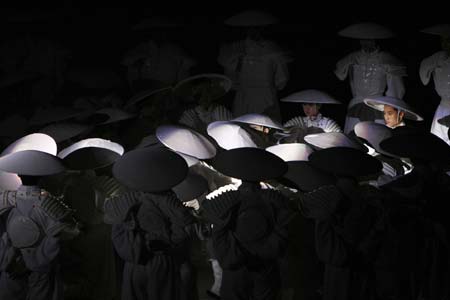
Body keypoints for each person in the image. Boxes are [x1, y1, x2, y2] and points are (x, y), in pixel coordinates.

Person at [201, 147, 295, 300]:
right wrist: (266, 251)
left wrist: (230, 257)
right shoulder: (275, 200)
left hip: (235, 267)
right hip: (265, 266)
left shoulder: (226, 200)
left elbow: (219, 234)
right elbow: (283, 232)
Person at [104, 148, 197, 300]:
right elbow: (183, 232)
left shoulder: (126, 201)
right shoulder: (168, 202)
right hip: (161, 261)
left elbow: (117, 233)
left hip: (134, 263)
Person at [0, 134, 80, 300]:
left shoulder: (7, 198)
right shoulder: (48, 203)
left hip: (11, 260)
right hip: (40, 263)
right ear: (42, 175)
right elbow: (71, 232)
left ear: (18, 175)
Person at [218, 10, 291, 122]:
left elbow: (281, 80)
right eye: (251, 28)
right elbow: (230, 80)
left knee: (266, 127)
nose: (253, 31)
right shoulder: (236, 50)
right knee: (245, 128)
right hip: (246, 97)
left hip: (264, 98)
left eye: (256, 28)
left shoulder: (272, 50)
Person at [335, 22, 406, 134]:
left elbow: (396, 88)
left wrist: (391, 110)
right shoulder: (353, 58)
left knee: (377, 137)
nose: (366, 42)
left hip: (378, 105)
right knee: (354, 135)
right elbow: (340, 74)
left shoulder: (387, 59)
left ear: (375, 39)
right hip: (356, 104)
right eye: (363, 39)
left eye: (369, 39)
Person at [122, 17, 196, 93]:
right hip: (144, 94)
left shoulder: (173, 49)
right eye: (155, 31)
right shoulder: (140, 49)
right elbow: (128, 64)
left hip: (169, 94)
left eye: (162, 30)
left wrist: (181, 89)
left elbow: (185, 70)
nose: (159, 34)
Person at [419, 24, 450, 145]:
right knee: (438, 142)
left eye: (449, 40)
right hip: (443, 106)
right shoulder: (437, 58)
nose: (446, 44)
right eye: (443, 41)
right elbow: (424, 75)